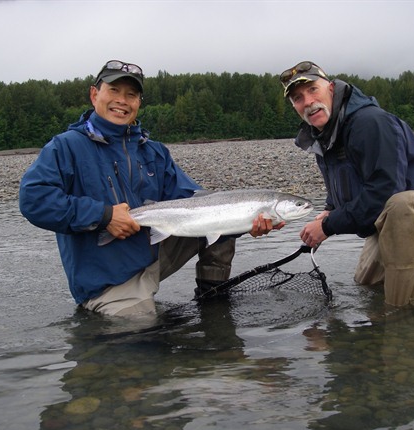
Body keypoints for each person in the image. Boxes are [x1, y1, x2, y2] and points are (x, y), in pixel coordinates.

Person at [19, 60, 276, 318]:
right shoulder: (65, 147)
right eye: (114, 91)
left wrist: (247, 220)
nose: (122, 101)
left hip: (152, 254)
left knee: (219, 224)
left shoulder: (153, 151)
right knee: (139, 343)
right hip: (110, 279)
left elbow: (196, 201)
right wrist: (104, 216)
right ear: (94, 94)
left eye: (131, 95)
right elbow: (34, 200)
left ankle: (213, 307)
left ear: (139, 102)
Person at [279, 61, 414, 308]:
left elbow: (386, 190)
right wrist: (328, 213)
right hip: (386, 218)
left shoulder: (369, 122)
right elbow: (342, 193)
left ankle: (402, 326)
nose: (308, 102)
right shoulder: (324, 138)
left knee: (401, 205)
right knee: (368, 286)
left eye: (313, 90)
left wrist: (329, 226)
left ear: (331, 89)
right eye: (298, 98)